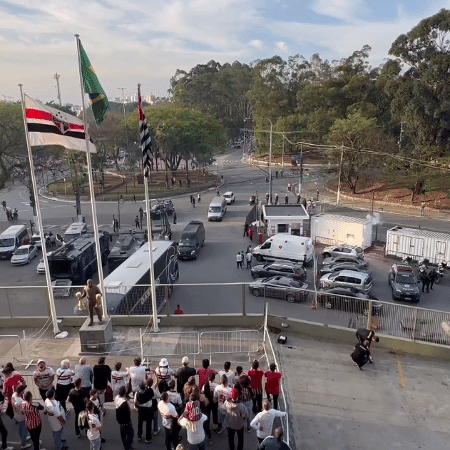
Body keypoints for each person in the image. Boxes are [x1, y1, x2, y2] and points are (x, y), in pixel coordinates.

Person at [115, 386, 134, 450]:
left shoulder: (117, 398)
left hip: (120, 421)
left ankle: (125, 446)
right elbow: (128, 411)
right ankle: (128, 447)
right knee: (130, 435)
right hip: (126, 422)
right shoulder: (125, 403)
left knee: (123, 436)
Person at [12, 384, 31, 449]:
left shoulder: (14, 395)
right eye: (23, 390)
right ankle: (23, 444)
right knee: (24, 430)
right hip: (22, 417)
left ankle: (23, 438)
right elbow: (23, 411)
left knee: (20, 429)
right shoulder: (21, 402)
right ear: (21, 392)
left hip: (16, 415)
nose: (24, 391)